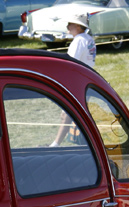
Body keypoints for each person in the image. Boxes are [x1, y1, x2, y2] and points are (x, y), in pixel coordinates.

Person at [51, 15, 95, 146]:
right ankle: (89, 142)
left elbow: (70, 63)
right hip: (86, 78)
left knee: (67, 113)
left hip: (76, 79)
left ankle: (56, 144)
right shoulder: (89, 39)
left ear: (78, 26)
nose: (67, 26)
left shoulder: (79, 41)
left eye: (70, 24)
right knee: (77, 113)